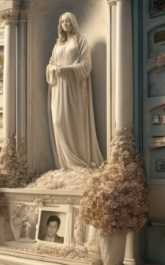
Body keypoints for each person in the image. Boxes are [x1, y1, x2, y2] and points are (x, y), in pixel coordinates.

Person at [46, 12, 103, 172]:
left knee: (75, 122)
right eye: (62, 21)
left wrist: (67, 68)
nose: (65, 23)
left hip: (74, 88)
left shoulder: (80, 41)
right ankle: (66, 163)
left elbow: (86, 65)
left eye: (67, 21)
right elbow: (50, 64)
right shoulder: (57, 45)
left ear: (73, 23)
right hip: (58, 88)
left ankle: (78, 161)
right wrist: (53, 69)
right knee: (58, 121)